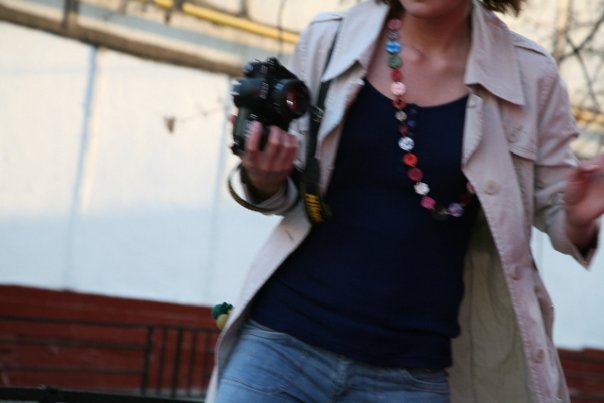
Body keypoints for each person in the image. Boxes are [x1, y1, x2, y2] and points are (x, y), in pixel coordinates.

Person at [207, 0, 604, 401]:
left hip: (409, 376)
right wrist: (264, 177)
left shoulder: (529, 75)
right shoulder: (332, 38)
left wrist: (578, 217)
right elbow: (293, 188)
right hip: (282, 345)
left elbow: (557, 212)